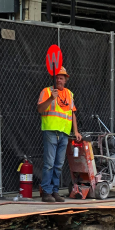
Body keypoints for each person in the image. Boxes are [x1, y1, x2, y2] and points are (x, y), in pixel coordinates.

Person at [37, 66, 82, 203]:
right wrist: (51, 98)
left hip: (64, 133)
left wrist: (75, 131)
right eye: (57, 77)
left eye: (61, 78)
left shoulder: (69, 94)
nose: (59, 80)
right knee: (49, 163)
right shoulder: (47, 91)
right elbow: (40, 109)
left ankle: (55, 191)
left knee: (58, 164)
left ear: (65, 80)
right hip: (51, 131)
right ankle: (46, 192)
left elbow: (72, 113)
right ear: (53, 79)